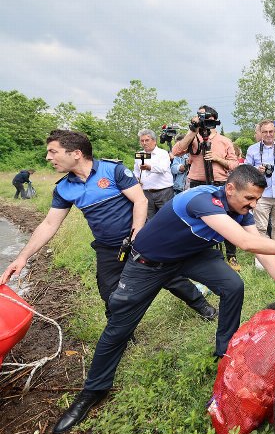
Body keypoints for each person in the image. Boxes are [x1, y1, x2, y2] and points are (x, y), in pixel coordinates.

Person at [50, 165, 275, 434]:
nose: (253, 205)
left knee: (232, 285)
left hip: (191, 256)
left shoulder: (241, 211)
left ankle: (223, 350)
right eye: (249, 198)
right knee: (119, 327)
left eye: (257, 200)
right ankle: (93, 390)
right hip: (149, 263)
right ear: (230, 188)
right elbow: (245, 243)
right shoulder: (202, 200)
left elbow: (259, 247)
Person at [0, 130, 216, 322]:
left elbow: (140, 201)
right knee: (108, 291)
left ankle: (204, 308)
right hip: (108, 248)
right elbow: (48, 224)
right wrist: (23, 257)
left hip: (142, 239)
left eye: (53, 152)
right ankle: (120, 332)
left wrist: (136, 234)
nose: (48, 157)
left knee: (170, 277)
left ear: (75, 153)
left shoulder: (113, 171)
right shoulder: (64, 189)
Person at [172, 106, 241, 271]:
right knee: (200, 221)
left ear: (213, 119)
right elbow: (176, 151)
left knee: (227, 219)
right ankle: (202, 257)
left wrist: (217, 159)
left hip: (220, 184)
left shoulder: (224, 141)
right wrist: (192, 131)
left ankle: (231, 256)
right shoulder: (194, 138)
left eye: (205, 116)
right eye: (199, 115)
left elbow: (234, 164)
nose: (202, 119)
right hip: (197, 184)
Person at [134, 129, 176, 218]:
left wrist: (148, 167)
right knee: (149, 219)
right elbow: (136, 171)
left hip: (163, 192)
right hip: (146, 192)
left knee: (165, 218)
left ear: (154, 141)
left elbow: (163, 168)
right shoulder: (139, 154)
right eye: (142, 141)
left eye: (147, 140)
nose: (144, 143)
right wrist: (136, 179)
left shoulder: (163, 153)